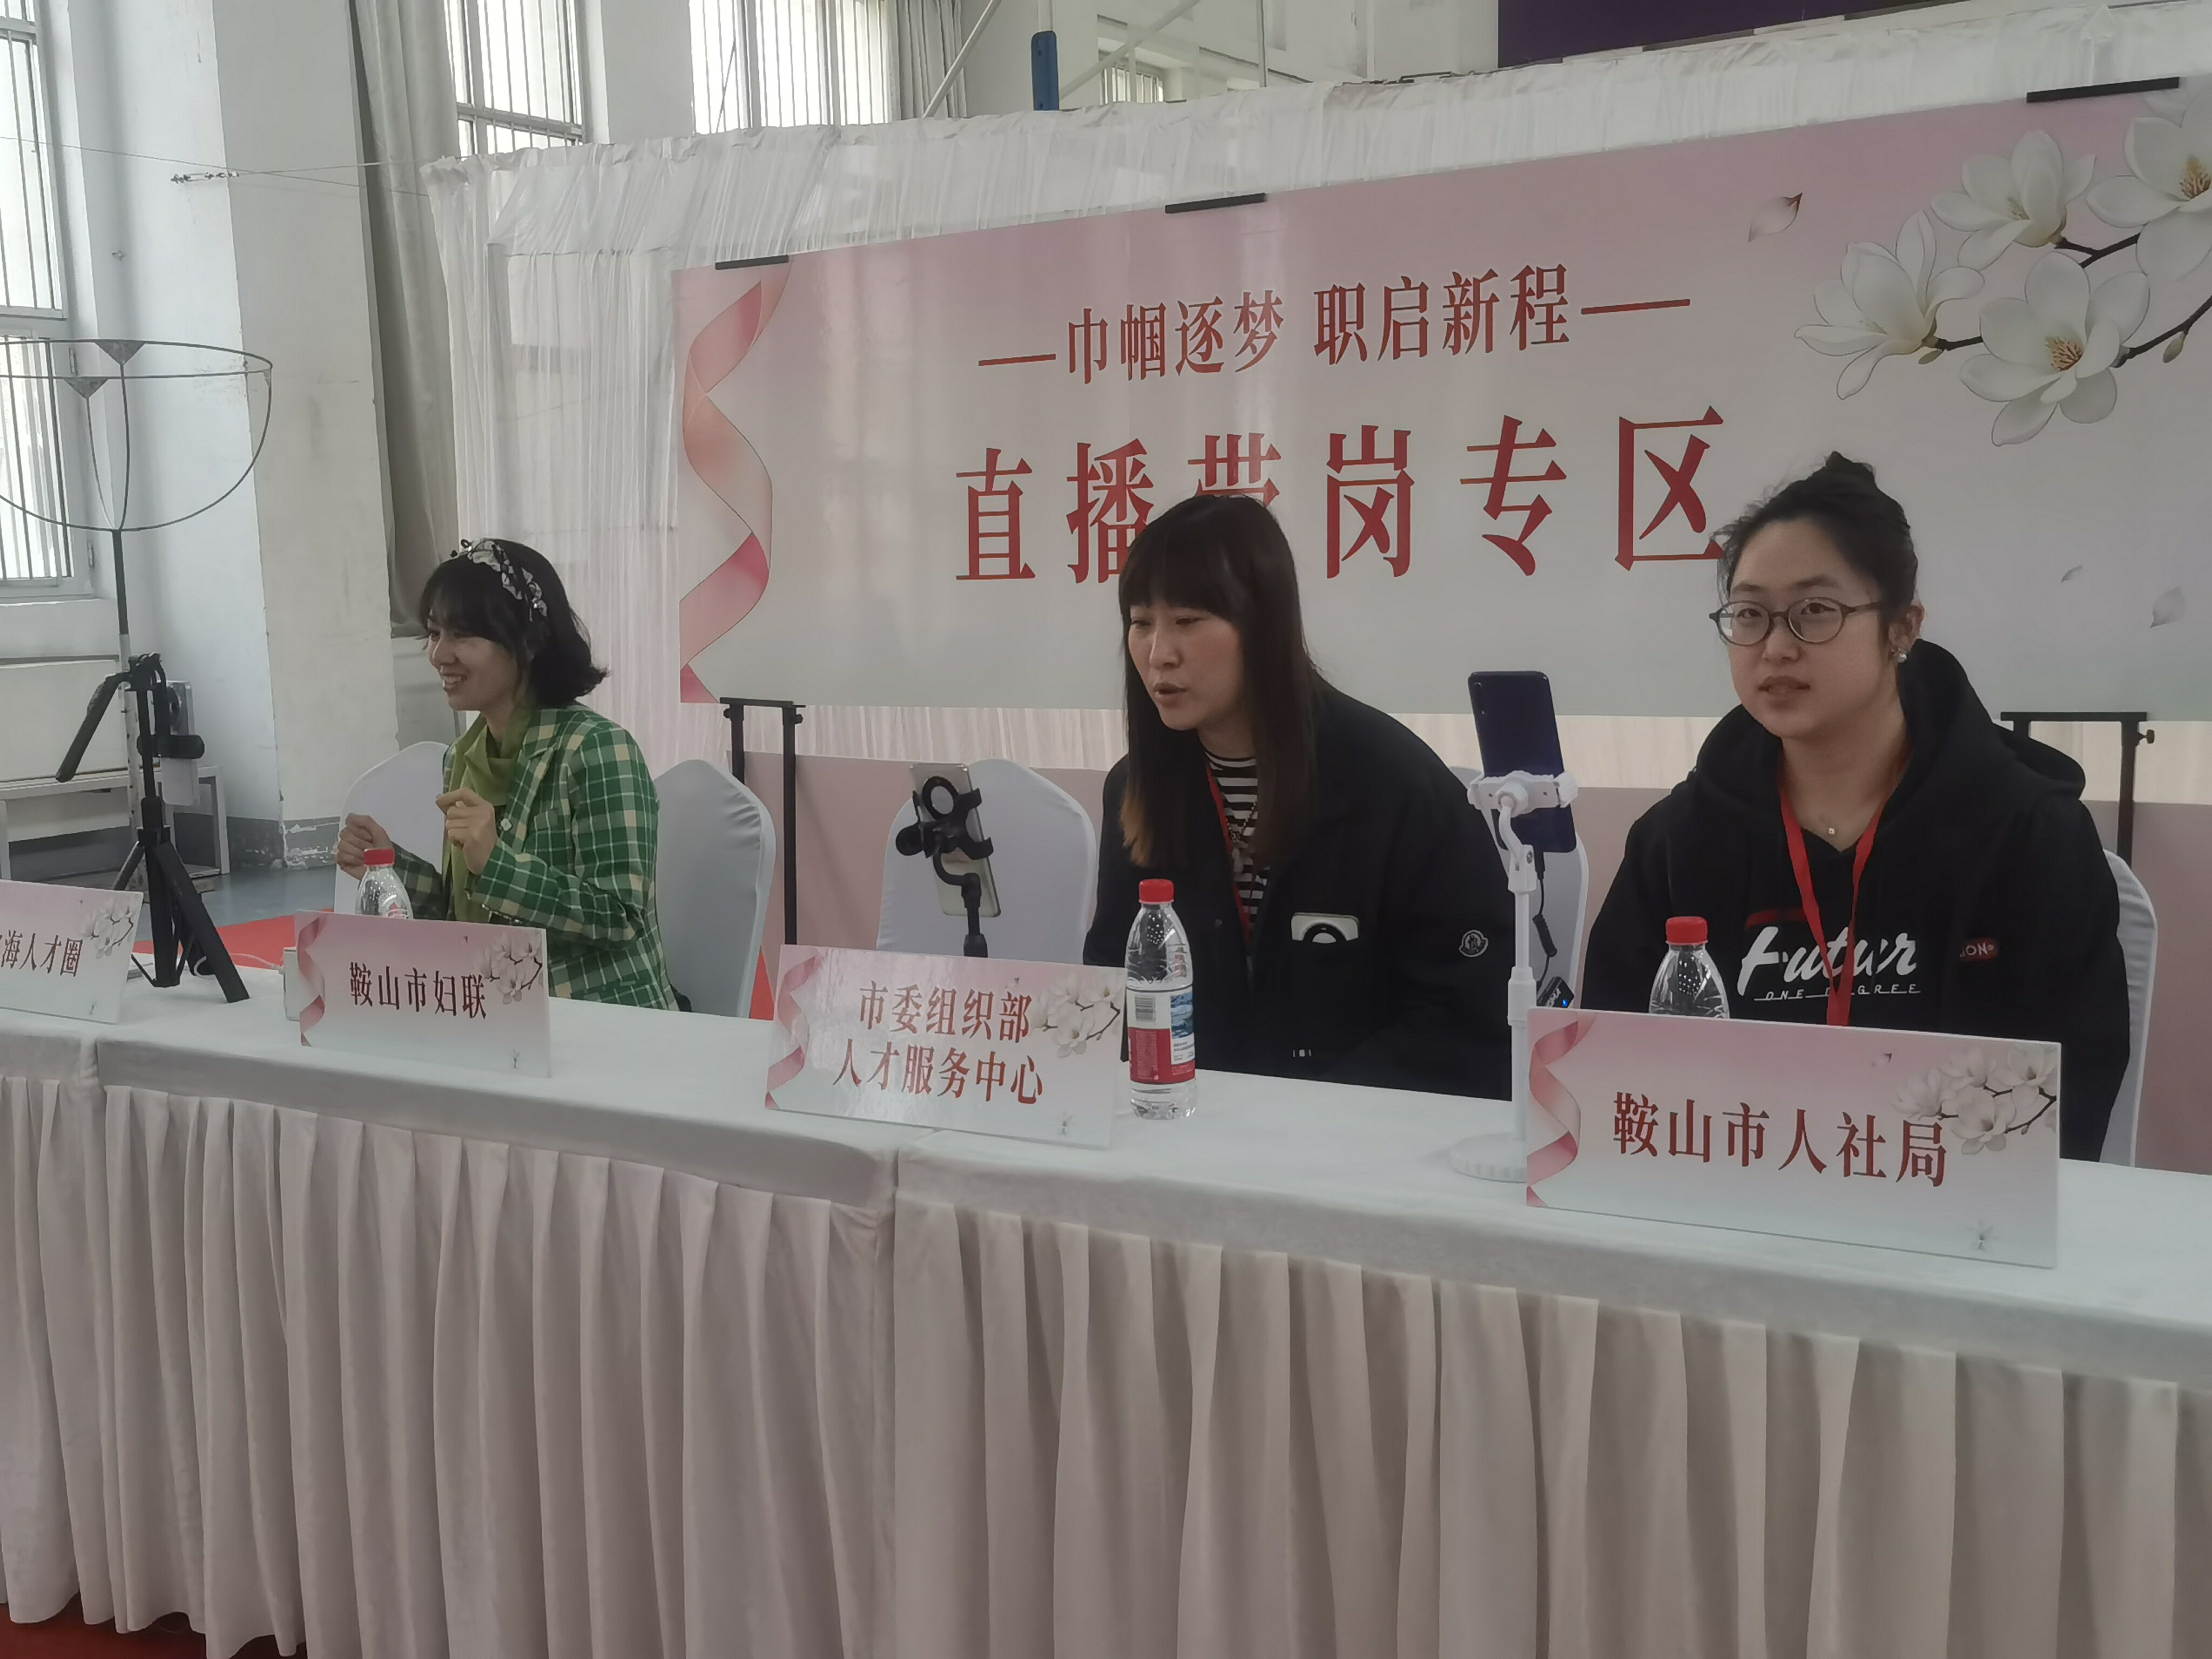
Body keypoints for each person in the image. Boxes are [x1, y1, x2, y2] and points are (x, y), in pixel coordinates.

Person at [1582, 454, 2128, 1159]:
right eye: (1749, 614)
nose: (1776, 647)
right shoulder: (1677, 842)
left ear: (1902, 628)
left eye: (1814, 611)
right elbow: (1614, 1075)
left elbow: (2069, 1091)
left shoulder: (2027, 833)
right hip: (1731, 1194)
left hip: (1956, 1200)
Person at [1082, 494, 1513, 1098]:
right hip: (1186, 1121)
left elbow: (1465, 1015)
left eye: (1188, 621)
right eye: (1140, 623)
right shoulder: (1136, 788)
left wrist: (1300, 1118)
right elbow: (1115, 981)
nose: (1159, 654)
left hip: (1359, 1128)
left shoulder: (1395, 783)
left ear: (1262, 627)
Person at [335, 538, 677, 1010]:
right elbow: (469, 921)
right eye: (433, 633)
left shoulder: (597, 749)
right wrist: (391, 867)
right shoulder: (464, 757)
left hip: (598, 1022)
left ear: (529, 643)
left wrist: (497, 863)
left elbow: (620, 917)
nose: (439, 655)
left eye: (463, 636)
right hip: (497, 1013)